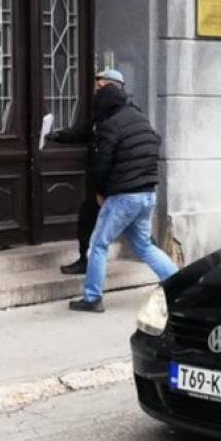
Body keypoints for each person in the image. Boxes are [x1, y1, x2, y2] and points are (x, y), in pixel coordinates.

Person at [68, 81, 178, 313]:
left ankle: (92, 298)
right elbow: (154, 145)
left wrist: (100, 192)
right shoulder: (141, 119)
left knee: (98, 245)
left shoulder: (110, 124)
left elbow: (101, 163)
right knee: (144, 245)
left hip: (123, 196)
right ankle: (179, 286)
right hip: (147, 193)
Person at [46, 69, 125, 275]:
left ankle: (92, 280)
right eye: (97, 87)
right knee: (89, 220)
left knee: (127, 233)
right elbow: (82, 132)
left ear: (113, 87)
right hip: (101, 180)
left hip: (114, 181)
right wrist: (57, 136)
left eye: (101, 86)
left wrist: (102, 189)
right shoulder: (101, 114)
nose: (97, 91)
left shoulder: (119, 115)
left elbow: (108, 154)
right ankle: (86, 261)